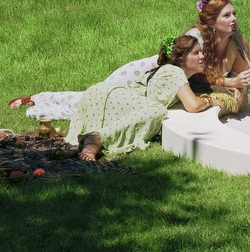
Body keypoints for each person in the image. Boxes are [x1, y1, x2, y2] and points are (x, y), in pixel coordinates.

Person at [8, 0, 221, 118]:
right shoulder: (192, 43)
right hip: (139, 73)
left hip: (144, 86)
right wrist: (214, 98)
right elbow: (194, 102)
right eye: (227, 15)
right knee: (85, 99)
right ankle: (37, 98)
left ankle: (39, 98)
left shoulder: (227, 42)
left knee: (87, 101)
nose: (234, 20)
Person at [63, 33, 228, 161]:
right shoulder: (174, 71)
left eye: (201, 52)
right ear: (182, 59)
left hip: (100, 92)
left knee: (74, 143)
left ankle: (75, 145)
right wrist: (210, 100)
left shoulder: (171, 73)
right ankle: (96, 138)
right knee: (157, 110)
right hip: (115, 94)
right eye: (196, 53)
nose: (202, 56)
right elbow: (193, 106)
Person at [194, 0, 250, 100]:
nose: (234, 19)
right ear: (212, 23)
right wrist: (232, 82)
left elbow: (239, 78)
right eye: (227, 15)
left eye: (234, 14)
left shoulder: (239, 45)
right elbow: (196, 77)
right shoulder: (197, 43)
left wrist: (240, 91)